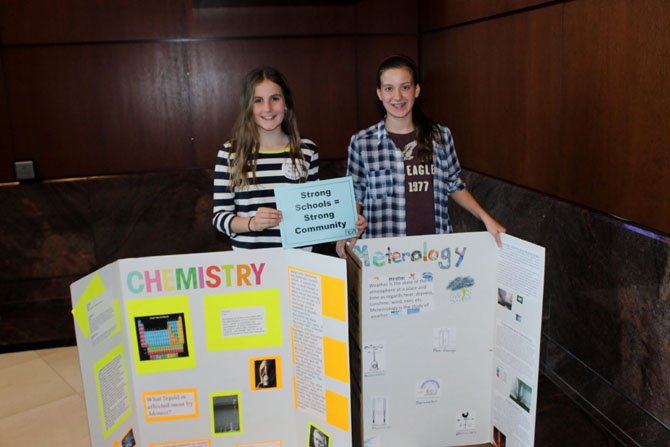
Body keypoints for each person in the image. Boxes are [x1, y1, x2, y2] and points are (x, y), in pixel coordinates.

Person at [336, 54, 505, 257]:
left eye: (405, 87)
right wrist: (348, 230)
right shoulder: (363, 142)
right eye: (389, 88)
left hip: (435, 252)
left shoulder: (440, 135)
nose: (398, 97)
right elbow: (355, 193)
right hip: (384, 255)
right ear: (379, 93)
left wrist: (486, 218)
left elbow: (454, 184)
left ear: (416, 90)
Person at [213, 66, 319, 249]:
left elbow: (318, 211)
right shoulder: (230, 152)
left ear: (285, 103)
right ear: (248, 106)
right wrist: (252, 223)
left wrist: (346, 223)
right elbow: (219, 217)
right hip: (250, 266)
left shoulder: (307, 150)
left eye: (275, 99)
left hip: (299, 264)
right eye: (258, 100)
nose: (267, 108)